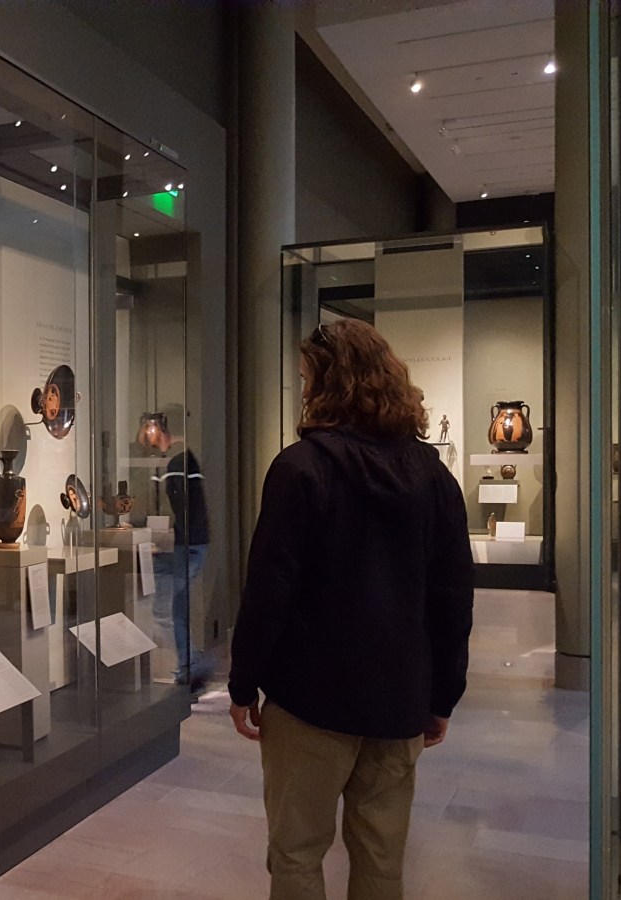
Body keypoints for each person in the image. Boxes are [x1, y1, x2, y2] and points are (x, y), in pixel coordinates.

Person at [228, 318, 474, 900]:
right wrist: (443, 694)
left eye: (307, 378)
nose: (303, 389)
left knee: (296, 853)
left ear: (328, 383)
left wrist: (243, 683)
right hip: (397, 699)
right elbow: (453, 597)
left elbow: (268, 590)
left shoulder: (299, 468)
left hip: (308, 700)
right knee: (381, 861)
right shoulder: (433, 476)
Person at [159, 448, 210, 689]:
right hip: (193, 541)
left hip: (188, 543)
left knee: (175, 611)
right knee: (178, 608)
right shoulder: (187, 462)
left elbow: (182, 507)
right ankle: (191, 663)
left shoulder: (179, 464)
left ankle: (190, 665)